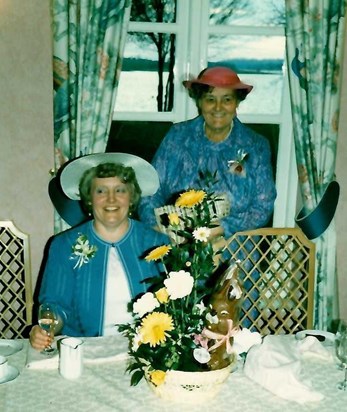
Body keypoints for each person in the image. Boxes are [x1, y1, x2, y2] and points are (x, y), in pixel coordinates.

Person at [30, 153, 168, 351]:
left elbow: (180, 301)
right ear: (89, 198)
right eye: (101, 191)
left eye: (120, 190)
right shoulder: (63, 245)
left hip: (150, 351)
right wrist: (47, 329)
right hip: (84, 352)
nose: (111, 199)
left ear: (131, 197)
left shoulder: (158, 243)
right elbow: (54, 305)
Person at [138, 66, 277, 241]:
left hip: (237, 251)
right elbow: (151, 189)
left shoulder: (255, 146)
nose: (218, 107)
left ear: (236, 103)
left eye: (227, 99)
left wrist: (220, 228)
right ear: (199, 101)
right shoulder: (177, 137)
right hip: (178, 245)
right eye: (210, 99)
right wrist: (158, 226)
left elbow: (263, 205)